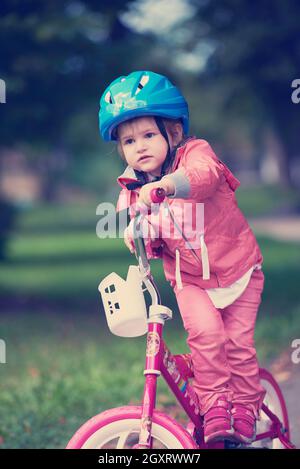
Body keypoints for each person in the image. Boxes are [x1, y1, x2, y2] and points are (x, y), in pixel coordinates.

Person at [98, 70, 266, 445]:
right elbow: (145, 228)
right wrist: (135, 232)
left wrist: (168, 186)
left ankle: (246, 406)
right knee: (206, 337)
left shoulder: (195, 153)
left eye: (148, 135)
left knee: (237, 345)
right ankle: (217, 406)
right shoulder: (131, 190)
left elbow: (204, 176)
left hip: (238, 270)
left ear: (172, 133)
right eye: (128, 140)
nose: (139, 146)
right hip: (189, 280)